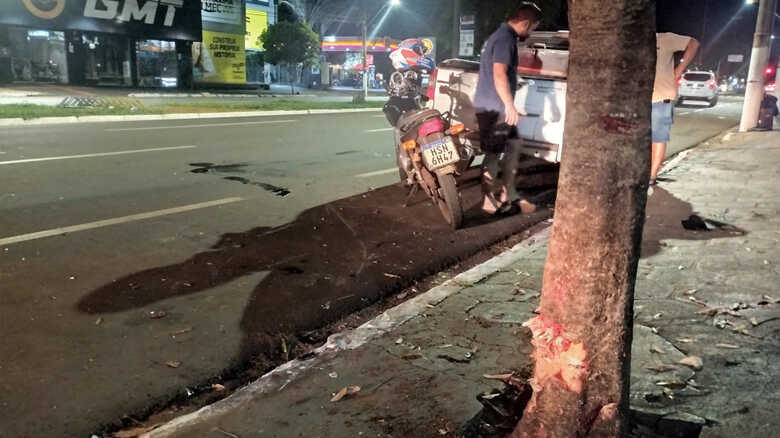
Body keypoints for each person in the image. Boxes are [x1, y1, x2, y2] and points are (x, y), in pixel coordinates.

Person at [474, 2, 541, 215]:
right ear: (525, 22)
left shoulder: (500, 36)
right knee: (494, 154)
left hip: (494, 106)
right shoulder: (504, 39)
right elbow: (499, 73)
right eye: (532, 28)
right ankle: (488, 200)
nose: (531, 33)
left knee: (513, 146)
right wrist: (510, 106)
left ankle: (509, 193)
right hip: (494, 109)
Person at [651, 33, 699, 185]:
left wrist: (679, 70)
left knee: (658, 137)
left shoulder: (664, 38)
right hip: (635, 99)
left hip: (661, 97)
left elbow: (694, 43)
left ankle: (651, 175)